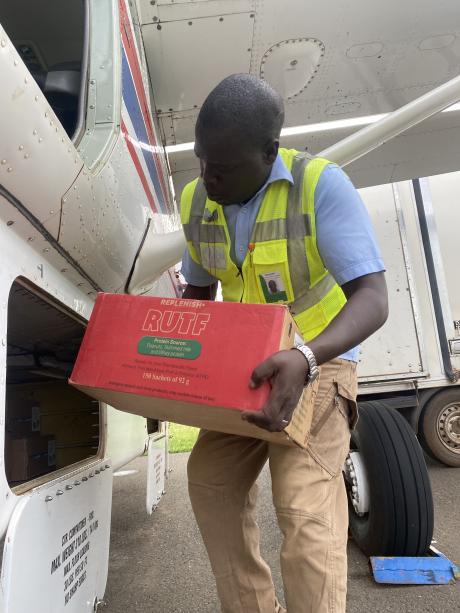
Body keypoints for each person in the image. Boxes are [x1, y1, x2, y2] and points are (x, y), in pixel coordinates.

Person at [179, 73, 388, 613]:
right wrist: (185, 373)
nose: (208, 176)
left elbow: (373, 296)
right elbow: (199, 297)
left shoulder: (320, 185)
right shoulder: (197, 200)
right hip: (245, 372)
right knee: (209, 483)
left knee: (304, 511)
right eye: (202, 160)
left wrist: (306, 355)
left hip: (322, 363)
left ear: (269, 152)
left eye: (221, 166)